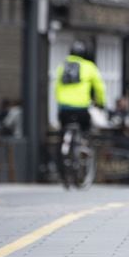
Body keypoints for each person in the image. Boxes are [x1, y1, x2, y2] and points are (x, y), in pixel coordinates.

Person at [53, 40, 108, 180]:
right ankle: (83, 148)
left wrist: (61, 103)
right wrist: (101, 103)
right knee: (86, 130)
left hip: (64, 108)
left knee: (63, 132)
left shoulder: (62, 67)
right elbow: (99, 87)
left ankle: (63, 156)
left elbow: (56, 87)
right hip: (81, 108)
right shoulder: (89, 66)